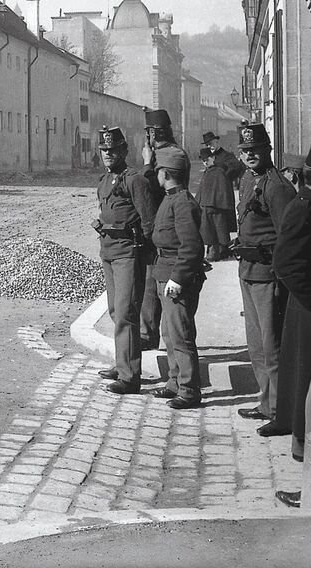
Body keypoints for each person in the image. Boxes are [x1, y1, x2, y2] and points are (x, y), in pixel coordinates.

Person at [269, 142, 311, 479]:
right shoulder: (303, 207)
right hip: (308, 306)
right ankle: (302, 444)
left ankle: (301, 441)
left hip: (308, 303)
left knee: (306, 374)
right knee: (307, 375)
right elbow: (285, 263)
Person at [232, 121, 296, 424]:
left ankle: (281, 411)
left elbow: (288, 236)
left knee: (272, 349)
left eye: (255, 149)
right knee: (256, 347)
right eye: (245, 150)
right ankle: (267, 403)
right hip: (248, 271)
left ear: (268, 149)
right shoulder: (247, 180)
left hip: (268, 275)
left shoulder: (277, 186)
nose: (250, 155)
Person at [91, 126, 159, 395]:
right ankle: (121, 365)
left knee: (127, 313)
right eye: (104, 150)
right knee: (115, 312)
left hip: (128, 253)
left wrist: (145, 256)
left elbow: (149, 221)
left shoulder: (135, 180)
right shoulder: (104, 181)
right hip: (108, 251)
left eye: (113, 150)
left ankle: (130, 377)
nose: (108, 154)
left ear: (123, 151)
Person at [150, 144, 206, 409]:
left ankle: (189, 389)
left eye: (158, 170)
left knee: (181, 335)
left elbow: (192, 246)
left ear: (165, 172)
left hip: (176, 277)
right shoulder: (171, 198)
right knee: (169, 334)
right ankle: (175, 382)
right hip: (165, 270)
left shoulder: (181, 202)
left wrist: (178, 278)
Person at [137, 108, 176, 349]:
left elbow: (150, 189)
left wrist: (146, 164)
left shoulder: (165, 157)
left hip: (160, 223)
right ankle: (151, 332)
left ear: (153, 133)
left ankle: (148, 334)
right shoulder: (172, 152)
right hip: (163, 223)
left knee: (153, 282)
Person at [197, 146, 236, 260]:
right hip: (207, 206)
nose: (205, 162)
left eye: (207, 159)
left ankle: (219, 251)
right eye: (203, 160)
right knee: (209, 230)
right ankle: (214, 250)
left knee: (219, 229)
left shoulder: (219, 172)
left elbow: (224, 189)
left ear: (213, 158)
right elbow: (202, 190)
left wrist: (220, 203)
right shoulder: (208, 172)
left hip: (217, 206)